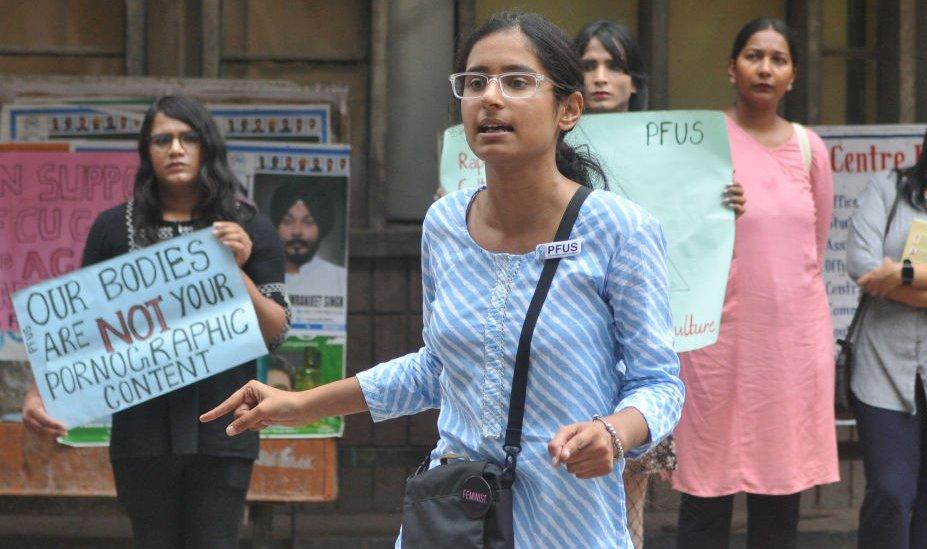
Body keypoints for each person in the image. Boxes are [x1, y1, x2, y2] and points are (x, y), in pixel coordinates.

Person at [202, 11, 684, 548]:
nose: (490, 98)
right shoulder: (444, 224)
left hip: (567, 520)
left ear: (568, 108)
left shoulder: (621, 230)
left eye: (517, 81)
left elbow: (661, 383)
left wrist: (616, 433)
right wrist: (297, 405)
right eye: (475, 82)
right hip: (456, 518)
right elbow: (436, 367)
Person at [21, 94, 291, 549]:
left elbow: (275, 333)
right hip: (142, 433)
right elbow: (79, 328)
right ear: (146, 151)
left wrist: (236, 270)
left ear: (207, 146)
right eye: (162, 139)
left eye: (188, 137)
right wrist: (38, 391)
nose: (176, 149)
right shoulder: (113, 228)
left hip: (223, 432)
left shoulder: (249, 226)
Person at [571, 20, 746, 549]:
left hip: (632, 355)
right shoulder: (542, 149)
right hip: (567, 346)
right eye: (589, 66)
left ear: (634, 81)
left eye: (615, 66)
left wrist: (725, 205)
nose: (602, 78)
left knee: (627, 501)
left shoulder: (675, 156)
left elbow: (695, 240)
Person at [669, 18, 837, 549]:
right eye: (754, 56)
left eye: (778, 59)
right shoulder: (705, 143)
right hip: (716, 343)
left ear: (793, 76)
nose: (765, 68)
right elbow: (674, 233)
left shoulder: (812, 150)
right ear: (731, 67)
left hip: (789, 343)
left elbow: (816, 244)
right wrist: (711, 207)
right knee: (704, 495)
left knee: (779, 496)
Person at [846, 91, 927, 549]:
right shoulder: (889, 186)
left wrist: (901, 273)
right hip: (883, 365)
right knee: (890, 491)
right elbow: (863, 264)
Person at [268, 181, 345, 298]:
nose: (297, 232)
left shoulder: (338, 277)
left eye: (308, 222)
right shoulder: (259, 276)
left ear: (322, 228)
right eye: (288, 221)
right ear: (276, 225)